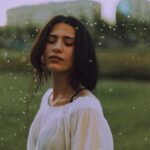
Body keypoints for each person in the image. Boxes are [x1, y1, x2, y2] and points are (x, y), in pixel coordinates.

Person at [27, 15, 114, 150]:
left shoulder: (85, 109)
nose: (57, 48)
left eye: (68, 43)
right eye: (51, 40)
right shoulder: (48, 98)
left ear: (81, 52)